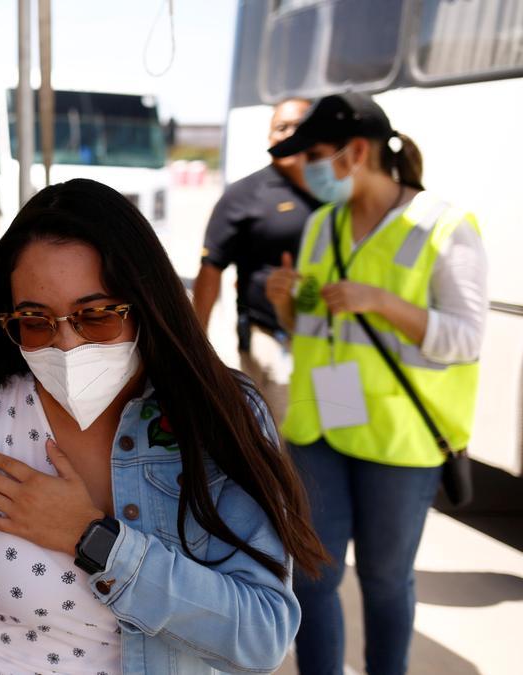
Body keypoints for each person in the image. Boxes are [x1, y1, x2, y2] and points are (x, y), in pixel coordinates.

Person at [0, 178, 328, 674]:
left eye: (97, 315)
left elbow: (263, 636)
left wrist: (93, 538)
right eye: (35, 320)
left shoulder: (219, 415)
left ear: (146, 302)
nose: (66, 345)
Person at [265, 93, 487, 675]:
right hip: (322, 426)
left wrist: (382, 302)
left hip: (400, 439)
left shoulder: (443, 225)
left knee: (386, 583)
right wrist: (288, 304)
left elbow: (466, 338)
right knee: (313, 576)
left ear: (356, 151)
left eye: (313, 154)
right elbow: (311, 325)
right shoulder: (320, 227)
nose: (304, 169)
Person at [192, 98, 318, 422]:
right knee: (284, 440)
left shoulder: (336, 193)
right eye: (282, 127)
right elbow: (211, 268)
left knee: (338, 428)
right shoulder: (244, 195)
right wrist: (195, 343)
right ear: (269, 137)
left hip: (332, 341)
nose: (292, 133)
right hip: (272, 340)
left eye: (301, 126)